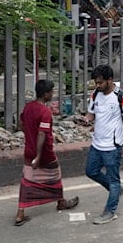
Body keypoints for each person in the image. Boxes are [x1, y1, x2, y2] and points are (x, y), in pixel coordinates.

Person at [15, 79, 79, 225]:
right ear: (45, 94)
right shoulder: (45, 111)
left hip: (29, 150)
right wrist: (38, 156)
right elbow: (42, 134)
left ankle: (20, 213)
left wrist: (29, 136)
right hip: (44, 153)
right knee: (55, 175)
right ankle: (60, 201)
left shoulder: (28, 107)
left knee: (27, 181)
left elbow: (21, 124)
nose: (53, 94)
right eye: (51, 92)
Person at [83, 64, 123, 225]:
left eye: (100, 82)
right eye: (96, 83)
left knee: (113, 180)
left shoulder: (122, 97)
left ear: (110, 80)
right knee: (91, 171)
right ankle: (117, 190)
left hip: (113, 147)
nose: (97, 86)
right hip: (97, 144)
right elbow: (91, 114)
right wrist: (86, 120)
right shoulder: (95, 94)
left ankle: (110, 211)